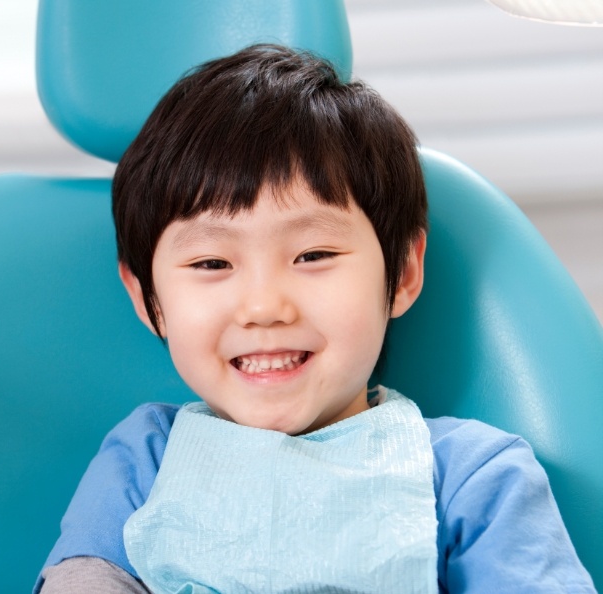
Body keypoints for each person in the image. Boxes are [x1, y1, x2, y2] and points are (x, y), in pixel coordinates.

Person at [35, 45, 595, 593]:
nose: (264, 308)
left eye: (313, 255)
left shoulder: (471, 477)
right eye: (211, 262)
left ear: (401, 272)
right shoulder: (144, 460)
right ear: (148, 298)